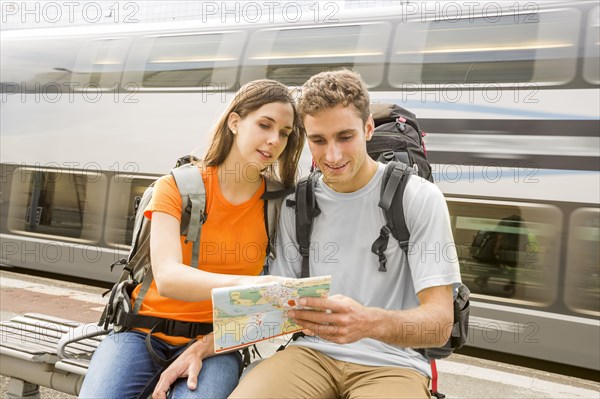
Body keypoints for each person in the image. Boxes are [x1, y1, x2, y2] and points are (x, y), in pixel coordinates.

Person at [155, 70, 462, 399]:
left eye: (345, 137)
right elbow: (274, 309)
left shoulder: (419, 198)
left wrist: (369, 322)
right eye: (318, 140)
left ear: (368, 128)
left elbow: (440, 323)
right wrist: (203, 347)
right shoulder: (296, 203)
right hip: (309, 355)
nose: (332, 156)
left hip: (393, 364)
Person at [79, 79, 305, 399]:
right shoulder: (175, 187)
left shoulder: (280, 204)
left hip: (218, 344)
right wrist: (253, 287)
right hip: (141, 333)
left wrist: (210, 345)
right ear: (235, 122)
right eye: (265, 125)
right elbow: (169, 277)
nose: (274, 140)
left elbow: (283, 304)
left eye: (284, 132)